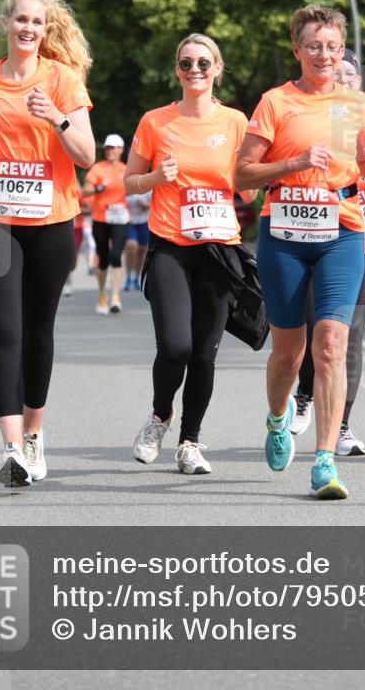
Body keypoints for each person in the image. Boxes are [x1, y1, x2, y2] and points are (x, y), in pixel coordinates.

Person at [235, 4, 365, 500]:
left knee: (331, 346)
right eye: (313, 46)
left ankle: (324, 460)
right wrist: (296, 161)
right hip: (283, 233)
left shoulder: (359, 104)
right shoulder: (275, 102)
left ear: (341, 49)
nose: (324, 55)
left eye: (332, 46)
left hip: (343, 232)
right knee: (289, 352)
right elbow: (241, 176)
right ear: (297, 49)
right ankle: (279, 418)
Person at [0, 0, 95, 487]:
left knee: (38, 331)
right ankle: (11, 448)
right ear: (7, 25)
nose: (28, 29)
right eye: (21, 21)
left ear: (45, 31)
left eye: (37, 23)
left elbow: (86, 155)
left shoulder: (63, 80)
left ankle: (34, 433)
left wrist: (54, 117)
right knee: (5, 331)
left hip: (52, 220)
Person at [125, 33, 256, 475]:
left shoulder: (237, 122)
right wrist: (155, 177)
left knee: (204, 353)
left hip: (220, 249)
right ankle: (161, 415)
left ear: (217, 68)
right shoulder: (155, 122)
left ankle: (190, 441)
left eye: (203, 63)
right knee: (176, 346)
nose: (194, 70)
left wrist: (258, 177)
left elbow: (250, 189)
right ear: (176, 69)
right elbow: (129, 181)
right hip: (171, 247)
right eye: (186, 63)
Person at [291, 50, 365, 455]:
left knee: (348, 333)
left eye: (349, 74)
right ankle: (305, 393)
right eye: (336, 73)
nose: (343, 79)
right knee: (311, 327)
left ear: (359, 81)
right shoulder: (313, 119)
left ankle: (342, 426)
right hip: (316, 232)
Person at [83, 135, 130, 314]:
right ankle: (102, 293)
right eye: (107, 148)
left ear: (120, 150)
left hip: (120, 217)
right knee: (103, 258)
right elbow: (86, 191)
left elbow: (135, 187)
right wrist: (97, 188)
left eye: (114, 148)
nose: (110, 151)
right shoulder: (98, 168)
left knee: (116, 255)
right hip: (100, 217)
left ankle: (115, 296)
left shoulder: (126, 169)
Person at [124, 189, 151, 289]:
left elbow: (155, 204)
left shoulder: (148, 185)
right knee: (131, 247)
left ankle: (136, 276)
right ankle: (128, 276)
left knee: (141, 251)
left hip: (144, 222)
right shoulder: (127, 182)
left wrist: (146, 205)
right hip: (129, 222)